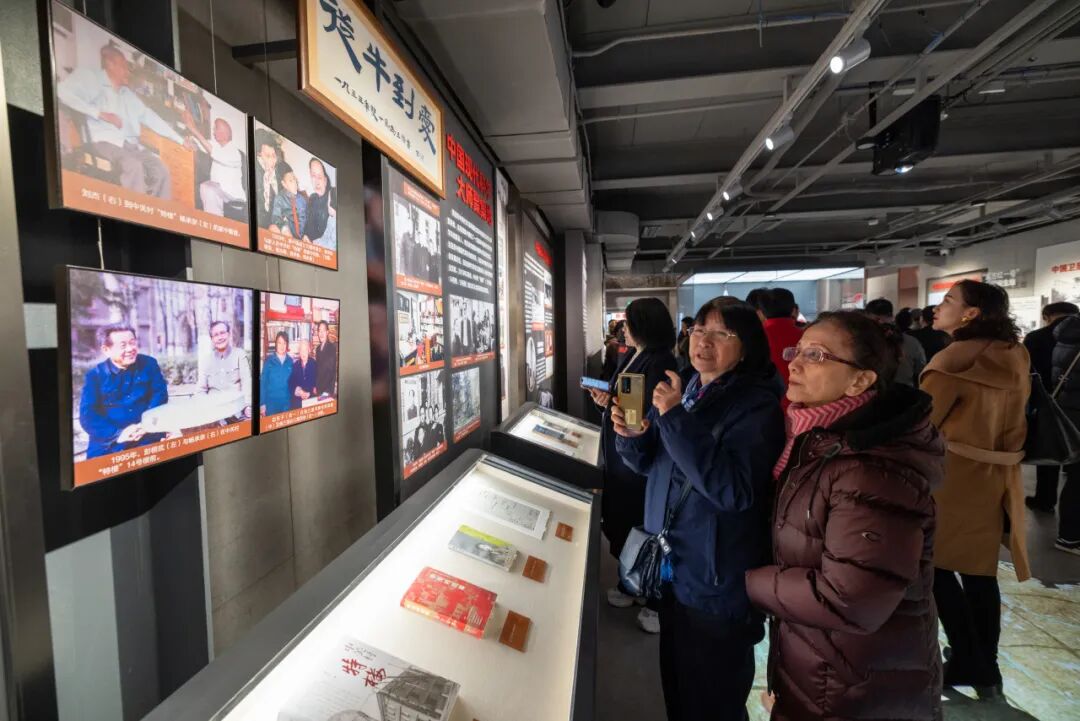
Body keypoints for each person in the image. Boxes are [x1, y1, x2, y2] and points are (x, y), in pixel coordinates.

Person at [746, 311, 944, 721]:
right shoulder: (815, 440)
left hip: (855, 680)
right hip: (824, 660)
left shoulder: (869, 470)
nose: (793, 364)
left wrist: (745, 581)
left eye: (816, 355)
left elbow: (852, 599)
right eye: (798, 351)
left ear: (860, 381)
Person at [612, 299, 784, 720]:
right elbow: (653, 465)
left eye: (721, 334)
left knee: (712, 701)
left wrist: (673, 418)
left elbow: (733, 491)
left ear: (746, 347)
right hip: (674, 570)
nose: (704, 342)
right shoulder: (686, 386)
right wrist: (633, 436)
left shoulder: (756, 407)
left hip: (715, 580)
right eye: (699, 330)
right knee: (678, 691)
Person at [921, 280, 1030, 698]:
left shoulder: (954, 359)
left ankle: (968, 658)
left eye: (949, 300)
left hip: (952, 477)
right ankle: (987, 664)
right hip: (998, 476)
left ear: (971, 314)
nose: (939, 306)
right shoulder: (1014, 353)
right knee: (981, 572)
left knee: (935, 567)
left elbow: (924, 424)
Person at [587, 299, 677, 633]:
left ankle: (653, 596)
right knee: (624, 519)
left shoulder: (661, 361)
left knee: (642, 523)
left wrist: (618, 408)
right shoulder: (634, 355)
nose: (623, 328)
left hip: (640, 458)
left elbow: (645, 413)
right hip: (623, 452)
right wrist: (606, 402)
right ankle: (633, 583)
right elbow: (626, 402)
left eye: (628, 322)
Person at [57, 44, 187, 198]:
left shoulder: (127, 95)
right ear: (110, 64)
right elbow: (62, 92)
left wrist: (180, 140)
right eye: (124, 66)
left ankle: (154, 210)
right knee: (133, 166)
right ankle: (136, 208)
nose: (128, 71)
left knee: (161, 170)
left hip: (129, 146)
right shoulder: (93, 79)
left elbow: (150, 117)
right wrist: (100, 114)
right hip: (102, 142)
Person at [79, 326, 168, 458]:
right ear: (106, 350)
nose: (130, 349)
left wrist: (146, 425)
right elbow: (88, 415)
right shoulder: (95, 375)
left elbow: (160, 395)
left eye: (133, 343)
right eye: (123, 345)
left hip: (146, 434)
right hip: (110, 441)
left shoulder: (149, 364)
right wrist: (118, 434)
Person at [1025, 302, 1079, 514]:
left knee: (1048, 449)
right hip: (1074, 402)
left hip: (1047, 399)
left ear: (1047, 316)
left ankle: (1045, 499)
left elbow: (1027, 372)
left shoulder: (1036, 337)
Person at [1049, 313, 1080, 555]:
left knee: (1075, 476)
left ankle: (1069, 535)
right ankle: (1070, 537)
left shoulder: (1068, 332)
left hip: (1069, 414)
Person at [188, 117, 245, 216]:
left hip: (234, 199)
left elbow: (213, 151)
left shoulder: (234, 152)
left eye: (216, 129)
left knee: (208, 187)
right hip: (220, 194)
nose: (213, 132)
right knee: (207, 187)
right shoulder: (217, 146)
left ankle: (214, 220)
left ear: (224, 133)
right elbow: (201, 144)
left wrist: (194, 129)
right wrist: (190, 141)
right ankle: (213, 220)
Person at [197, 320, 251, 420]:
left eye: (222, 333)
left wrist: (247, 405)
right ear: (212, 339)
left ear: (229, 334)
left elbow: (247, 383)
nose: (220, 337)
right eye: (216, 335)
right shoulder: (206, 360)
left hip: (236, 412)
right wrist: (204, 407)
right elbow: (201, 390)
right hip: (213, 412)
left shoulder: (239, 355)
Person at [866, 298, 926, 386]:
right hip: (905, 390)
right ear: (892, 317)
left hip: (871, 390)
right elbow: (920, 369)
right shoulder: (911, 341)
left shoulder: (860, 341)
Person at [758, 288, 804, 405]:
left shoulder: (754, 337)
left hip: (765, 403)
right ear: (793, 309)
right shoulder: (807, 336)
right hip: (802, 402)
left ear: (761, 312)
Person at [304, 158, 337, 249]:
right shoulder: (312, 198)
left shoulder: (333, 193)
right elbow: (308, 224)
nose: (317, 182)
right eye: (313, 176)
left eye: (320, 177)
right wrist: (306, 235)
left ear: (325, 180)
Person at [260, 331, 293, 417]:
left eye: (284, 343)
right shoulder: (268, 361)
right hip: (271, 405)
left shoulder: (290, 361)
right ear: (276, 344)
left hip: (286, 404)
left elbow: (294, 382)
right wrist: (262, 404)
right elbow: (263, 383)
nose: (282, 346)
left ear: (287, 345)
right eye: (279, 343)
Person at [271, 162, 307, 239]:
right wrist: (284, 228)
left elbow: (307, 219)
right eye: (291, 181)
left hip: (303, 239)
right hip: (289, 236)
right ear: (284, 184)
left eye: (294, 179)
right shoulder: (280, 198)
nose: (295, 183)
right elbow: (276, 217)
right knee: (273, 228)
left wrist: (306, 235)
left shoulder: (302, 199)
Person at [254, 130, 280, 228]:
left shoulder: (276, 175)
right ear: (258, 155)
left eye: (273, 155)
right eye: (268, 156)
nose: (272, 160)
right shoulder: (253, 172)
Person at [288, 339, 318, 410]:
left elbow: (318, 384)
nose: (303, 353)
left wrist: (310, 393)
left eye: (305, 350)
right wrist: (299, 392)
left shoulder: (314, 364)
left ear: (309, 350)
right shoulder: (295, 365)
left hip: (311, 401)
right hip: (298, 402)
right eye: (301, 350)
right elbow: (291, 383)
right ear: (299, 352)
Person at [313, 320, 338, 398]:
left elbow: (331, 372)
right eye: (319, 330)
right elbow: (318, 370)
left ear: (327, 332)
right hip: (319, 389)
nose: (321, 333)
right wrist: (315, 386)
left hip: (327, 391)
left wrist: (327, 392)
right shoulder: (318, 349)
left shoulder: (332, 348)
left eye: (323, 330)